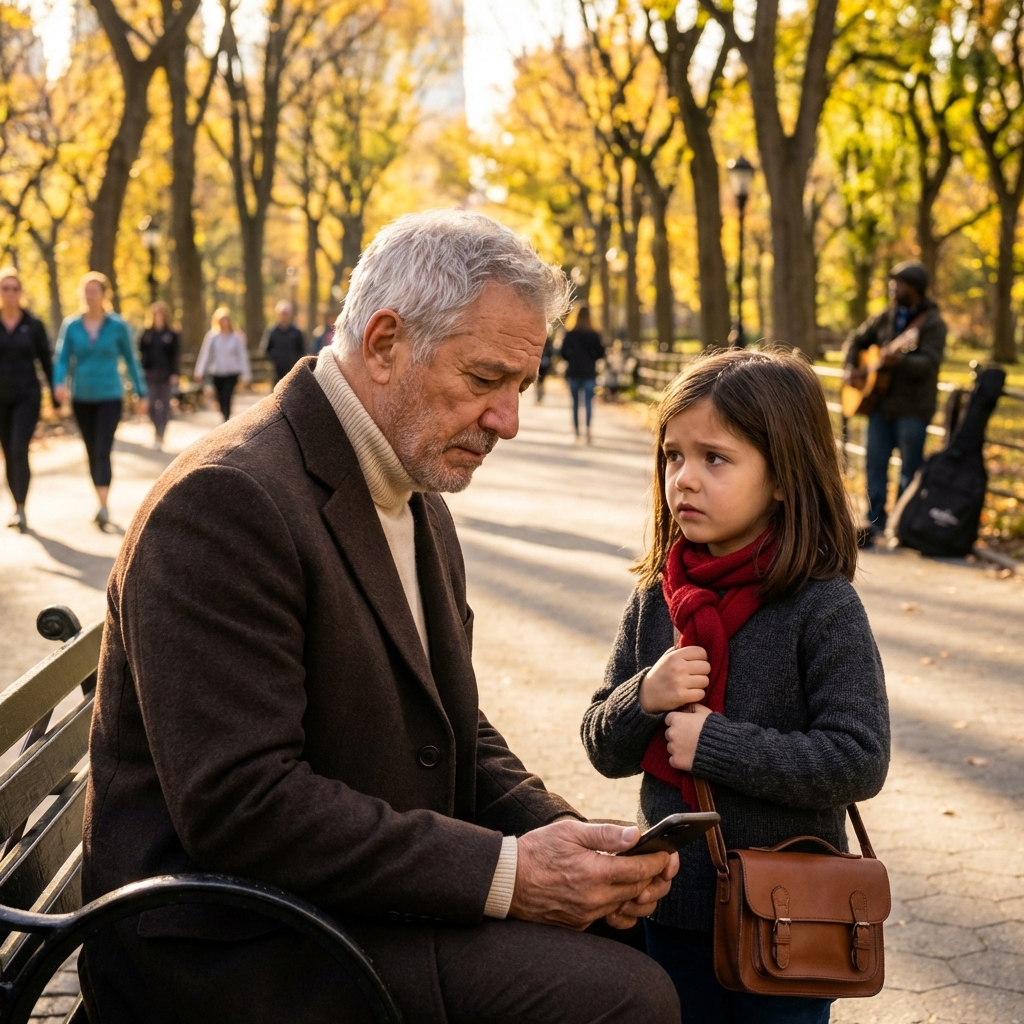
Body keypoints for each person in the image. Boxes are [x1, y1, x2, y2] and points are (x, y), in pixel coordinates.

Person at [79, 210, 682, 1024]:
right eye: (483, 379)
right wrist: (508, 874)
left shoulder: (408, 478)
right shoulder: (226, 500)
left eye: (521, 387)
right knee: (626, 996)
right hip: (232, 947)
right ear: (386, 342)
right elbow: (243, 806)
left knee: (645, 940)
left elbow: (450, 718)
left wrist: (567, 838)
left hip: (330, 905)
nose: (508, 420)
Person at [582, 348, 890, 1023]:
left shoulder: (822, 608)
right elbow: (601, 743)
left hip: (787, 917)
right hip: (669, 908)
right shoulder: (656, 598)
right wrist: (645, 695)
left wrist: (715, 744)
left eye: (715, 459)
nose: (684, 479)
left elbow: (859, 758)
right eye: (672, 456)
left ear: (783, 476)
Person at [843, 261, 947, 539]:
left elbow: (930, 362)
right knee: (874, 464)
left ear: (914, 289)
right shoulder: (885, 317)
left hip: (913, 409)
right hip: (879, 406)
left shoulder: (933, 323)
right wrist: (851, 368)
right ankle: (875, 521)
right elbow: (856, 340)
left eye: (899, 284)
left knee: (908, 471)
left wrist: (899, 360)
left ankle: (901, 526)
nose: (893, 288)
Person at [54, 272, 147, 529]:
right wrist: (59, 383)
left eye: (94, 291)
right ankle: (100, 498)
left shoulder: (117, 326)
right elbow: (62, 357)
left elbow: (131, 360)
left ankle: (104, 505)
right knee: (91, 449)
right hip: (81, 396)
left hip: (110, 395)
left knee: (102, 448)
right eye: (86, 291)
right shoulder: (71, 325)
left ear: (104, 295)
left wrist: (141, 392)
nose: (89, 296)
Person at [0, 267, 53, 532]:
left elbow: (46, 360)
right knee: (8, 453)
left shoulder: (33, 325)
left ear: (20, 293)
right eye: (4, 288)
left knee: (20, 448)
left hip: (27, 397)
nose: (10, 293)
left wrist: (55, 396)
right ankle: (16, 505)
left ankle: (22, 509)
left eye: (14, 288)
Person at [137, 302, 180, 450]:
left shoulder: (171, 335)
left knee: (165, 406)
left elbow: (175, 356)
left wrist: (175, 373)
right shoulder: (147, 334)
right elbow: (140, 354)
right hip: (150, 375)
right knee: (152, 406)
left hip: (166, 375)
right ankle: (156, 430)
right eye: (156, 315)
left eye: (161, 314)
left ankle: (161, 434)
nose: (158, 317)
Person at [195, 307, 251, 420]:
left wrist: (246, 375)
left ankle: (227, 416)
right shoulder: (212, 336)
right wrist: (199, 371)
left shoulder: (236, 337)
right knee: (220, 397)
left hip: (232, 372)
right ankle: (223, 414)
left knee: (227, 396)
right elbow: (205, 354)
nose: (224, 323)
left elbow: (242, 356)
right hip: (217, 372)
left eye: (226, 320)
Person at [559, 306, 605, 442]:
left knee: (575, 403)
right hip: (589, 372)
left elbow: (562, 352)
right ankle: (588, 430)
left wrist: (572, 358)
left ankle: (577, 432)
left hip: (574, 371)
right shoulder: (594, 334)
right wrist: (591, 358)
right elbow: (601, 353)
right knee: (588, 402)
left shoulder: (570, 334)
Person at [262, 299, 307, 383]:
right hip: (277, 370)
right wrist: (275, 358)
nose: (283, 316)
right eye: (282, 314)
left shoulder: (296, 331)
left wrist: (294, 360)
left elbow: (302, 349)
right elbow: (266, 349)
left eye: (285, 314)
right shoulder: (272, 331)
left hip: (292, 369)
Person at [535, 334, 555, 403]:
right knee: (541, 381)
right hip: (544, 364)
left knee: (538, 381)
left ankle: (539, 394)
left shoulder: (538, 340)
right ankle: (540, 394)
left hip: (540, 364)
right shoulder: (549, 343)